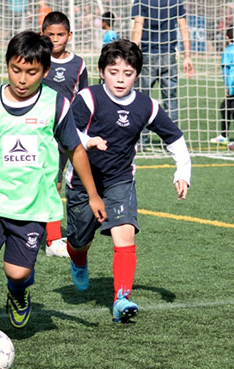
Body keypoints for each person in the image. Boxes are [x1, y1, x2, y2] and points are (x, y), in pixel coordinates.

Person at [0, 31, 106, 356]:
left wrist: (93, 194)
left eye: (32, 72)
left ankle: (19, 291)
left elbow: (76, 150)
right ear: (7, 65)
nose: (22, 79)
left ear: (45, 71)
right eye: (16, 69)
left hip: (32, 204)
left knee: (18, 271)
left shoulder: (56, 104)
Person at [65, 39, 191, 323]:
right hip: (83, 183)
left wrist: (182, 173)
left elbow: (175, 137)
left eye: (127, 73)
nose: (120, 79)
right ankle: (78, 256)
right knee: (79, 239)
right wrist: (88, 141)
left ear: (137, 74)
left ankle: (121, 298)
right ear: (101, 71)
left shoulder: (147, 105)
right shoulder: (88, 97)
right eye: (113, 72)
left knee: (125, 233)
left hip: (120, 180)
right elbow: (65, 132)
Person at [40, 11, 89, 258]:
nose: (56, 39)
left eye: (61, 35)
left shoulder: (79, 64)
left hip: (67, 131)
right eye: (51, 35)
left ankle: (53, 234)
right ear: (42, 35)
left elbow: (86, 98)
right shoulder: (38, 59)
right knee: (50, 182)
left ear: (69, 35)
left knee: (64, 182)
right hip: (41, 130)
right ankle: (51, 239)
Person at [131, 0, 194, 147]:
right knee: (171, 100)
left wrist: (132, 55)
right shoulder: (174, 1)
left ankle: (141, 142)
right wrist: (187, 56)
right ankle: (173, 142)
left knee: (141, 100)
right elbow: (183, 28)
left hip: (147, 55)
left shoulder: (142, 1)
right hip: (169, 56)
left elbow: (138, 28)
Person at [211, 26, 234, 149]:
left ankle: (224, 137)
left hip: (232, 85)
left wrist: (227, 87)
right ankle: (224, 136)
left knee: (229, 109)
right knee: (224, 107)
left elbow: (226, 71)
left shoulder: (227, 51)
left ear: (226, 38)